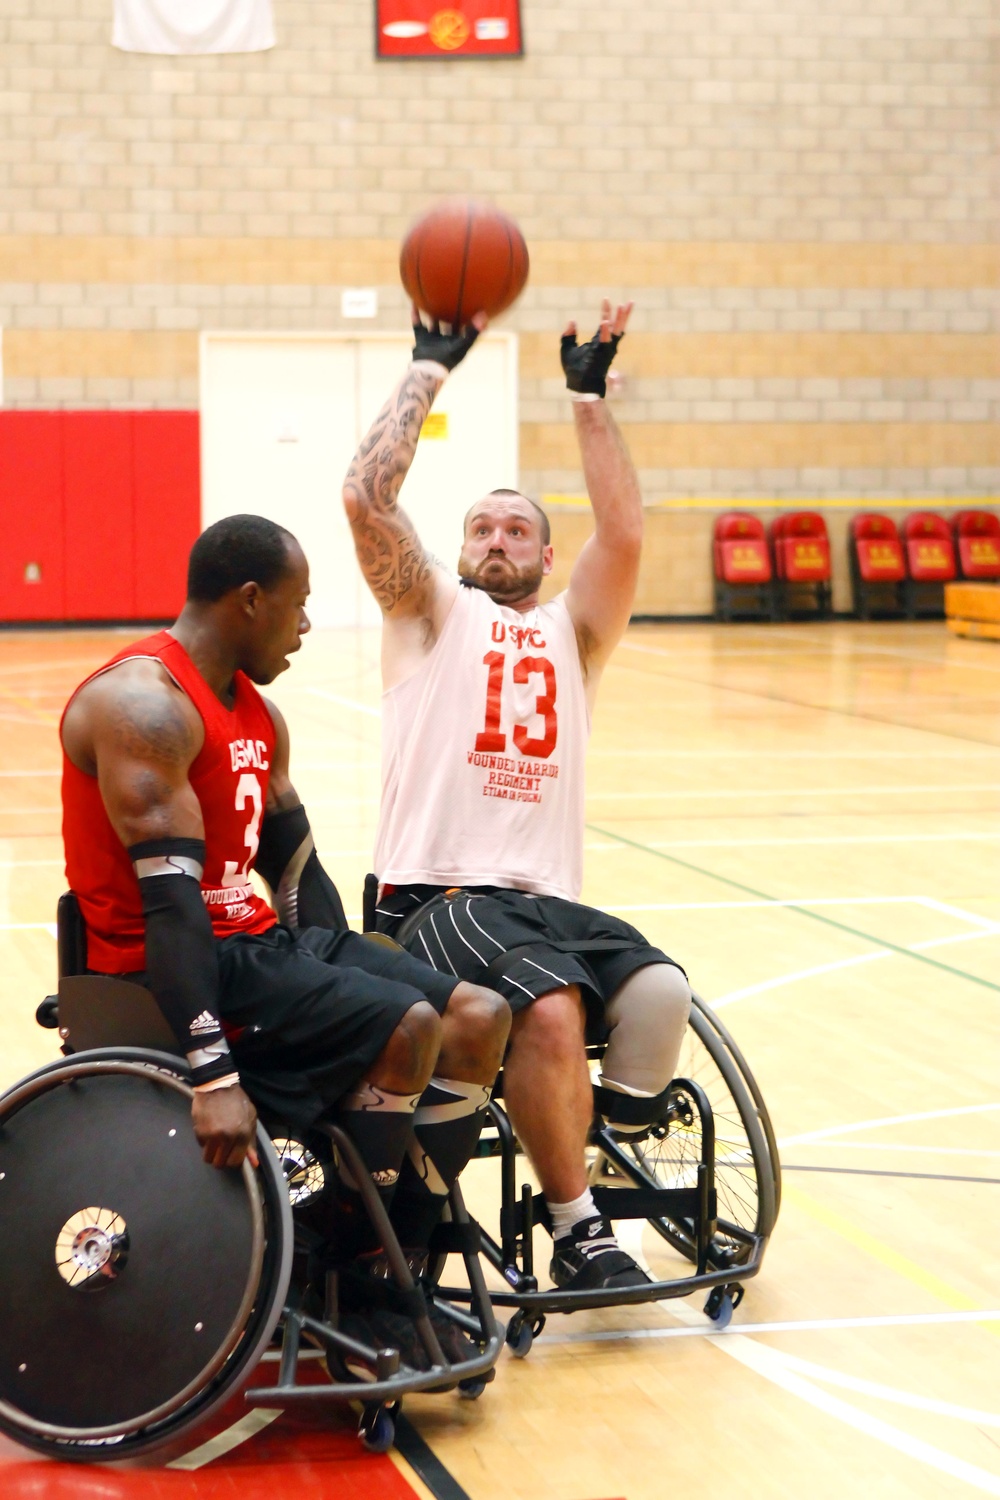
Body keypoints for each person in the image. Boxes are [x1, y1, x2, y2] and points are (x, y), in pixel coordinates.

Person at [60, 513, 510, 1365]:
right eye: (299, 608)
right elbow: (172, 913)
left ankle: (393, 1245)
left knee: (478, 1015)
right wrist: (212, 1072)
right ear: (250, 600)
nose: (306, 627)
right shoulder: (144, 705)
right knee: (408, 1029)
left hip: (258, 947)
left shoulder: (259, 717)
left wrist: (352, 971)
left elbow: (296, 873)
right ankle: (351, 1256)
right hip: (167, 966)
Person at [341, 302, 692, 1293]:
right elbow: (365, 501)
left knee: (660, 993)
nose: (497, 539)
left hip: (541, 904)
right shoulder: (427, 616)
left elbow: (624, 531)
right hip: (434, 901)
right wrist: (427, 366)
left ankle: (597, 1138)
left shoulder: (572, 638)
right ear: (460, 551)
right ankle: (580, 1232)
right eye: (480, 527)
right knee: (546, 1006)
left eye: (518, 530)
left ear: (545, 556)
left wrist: (586, 399)